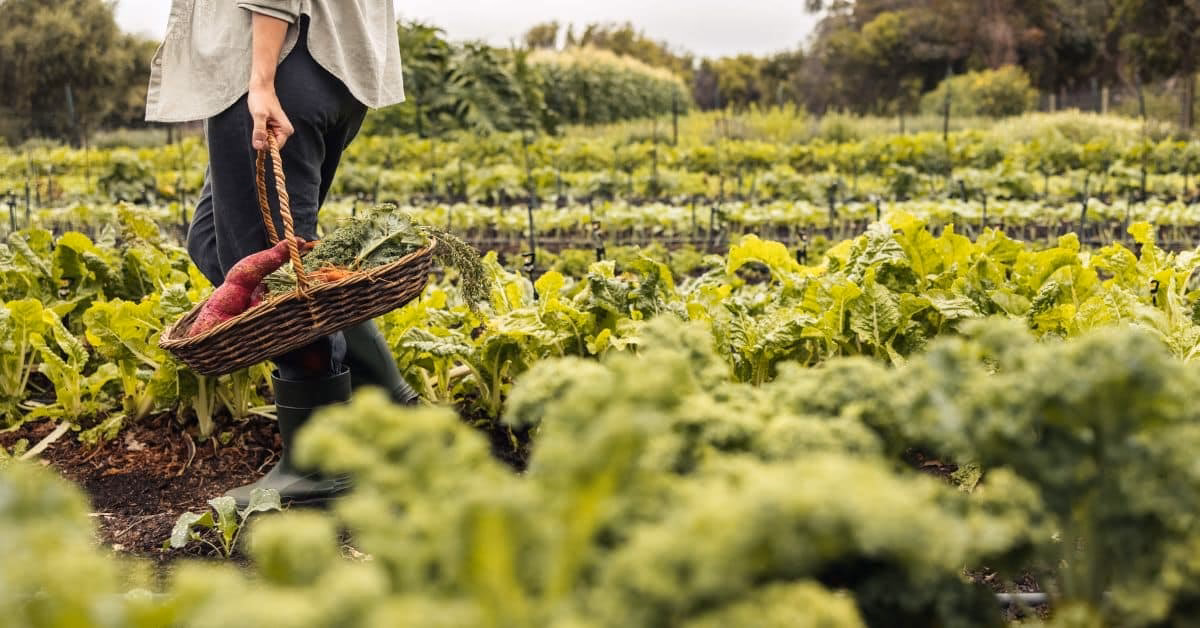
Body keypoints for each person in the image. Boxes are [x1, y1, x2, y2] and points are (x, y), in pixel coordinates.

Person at [146, 1, 417, 507]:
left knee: (277, 281)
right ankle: (389, 402)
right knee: (213, 242)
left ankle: (319, 467)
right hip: (326, 62)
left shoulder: (270, 71)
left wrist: (263, 79)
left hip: (282, 59)